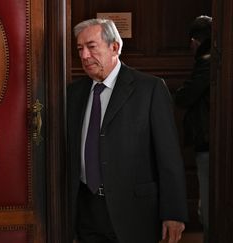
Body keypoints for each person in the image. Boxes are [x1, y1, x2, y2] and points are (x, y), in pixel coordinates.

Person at [66, 18, 188, 243]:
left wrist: (174, 212)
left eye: (91, 47)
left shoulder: (149, 89)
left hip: (134, 212)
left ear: (115, 47)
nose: (84, 56)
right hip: (86, 210)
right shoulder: (73, 93)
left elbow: (169, 156)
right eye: (79, 49)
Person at [174, 15, 212, 243]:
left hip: (208, 142)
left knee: (207, 203)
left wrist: (179, 93)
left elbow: (186, 96)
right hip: (209, 140)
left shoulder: (207, 62)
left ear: (194, 41)